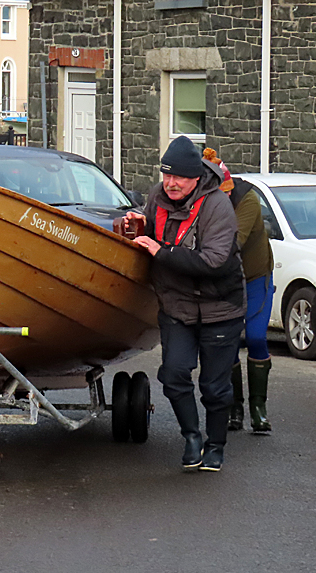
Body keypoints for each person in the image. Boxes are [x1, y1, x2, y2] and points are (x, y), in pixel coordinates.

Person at [124, 135, 246, 472]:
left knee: (214, 386)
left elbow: (214, 262)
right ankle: (192, 437)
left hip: (221, 308)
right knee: (174, 374)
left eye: (178, 177)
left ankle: (216, 445)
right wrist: (137, 225)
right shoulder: (157, 196)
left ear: (196, 178)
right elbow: (150, 228)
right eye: (166, 175)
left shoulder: (218, 205)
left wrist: (161, 253)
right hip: (176, 306)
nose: (171, 183)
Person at [202, 148, 274, 433]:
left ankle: (259, 407)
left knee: (256, 337)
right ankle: (235, 407)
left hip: (255, 276)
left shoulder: (247, 200)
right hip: (222, 280)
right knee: (226, 341)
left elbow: (233, 241)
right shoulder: (198, 202)